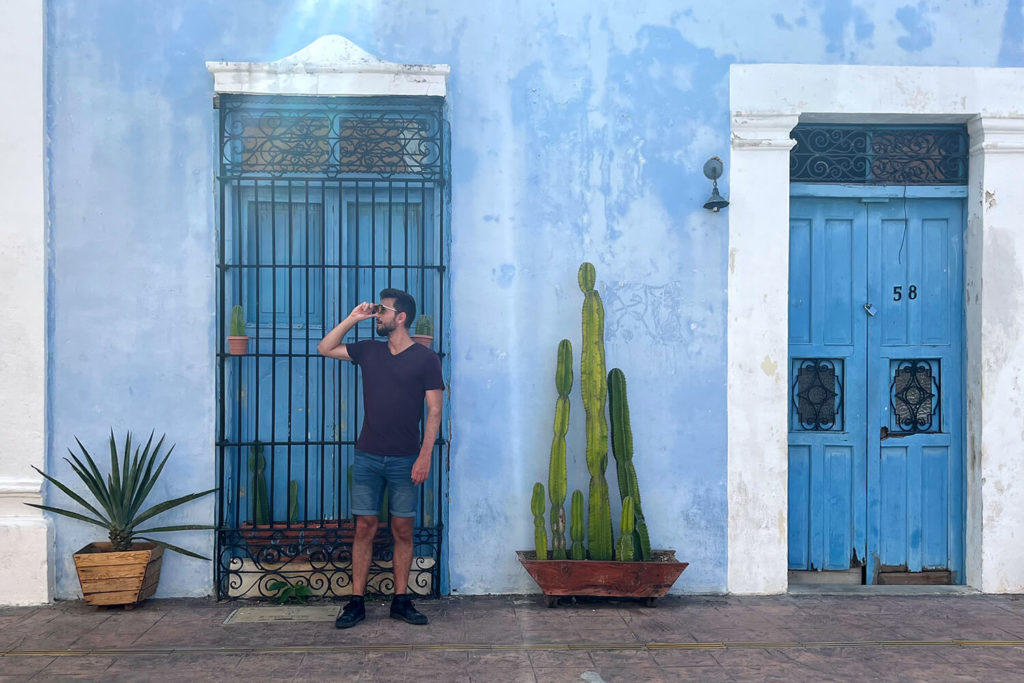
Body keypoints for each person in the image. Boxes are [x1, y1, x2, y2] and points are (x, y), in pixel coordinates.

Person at [317, 288, 444, 629]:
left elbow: (434, 412)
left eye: (382, 311)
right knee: (364, 528)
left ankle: (401, 601)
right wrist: (353, 318)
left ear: (400, 318)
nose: (377, 315)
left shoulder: (425, 359)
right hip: (368, 456)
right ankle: (356, 602)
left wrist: (425, 457)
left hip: (405, 459)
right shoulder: (369, 351)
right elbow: (324, 348)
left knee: (403, 530)